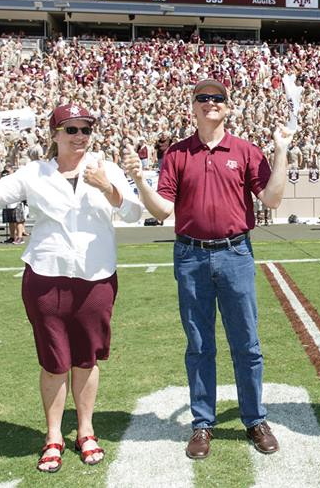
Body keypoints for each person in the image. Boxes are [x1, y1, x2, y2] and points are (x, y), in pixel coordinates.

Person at [0, 103, 142, 473]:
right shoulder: (34, 172)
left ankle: (85, 430)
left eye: (86, 128)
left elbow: (134, 212)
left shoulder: (105, 167)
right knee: (54, 362)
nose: (80, 136)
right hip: (46, 275)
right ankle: (53, 436)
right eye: (71, 129)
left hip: (96, 276)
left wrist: (109, 189)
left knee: (86, 359)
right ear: (54, 134)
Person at [123, 79, 293, 460]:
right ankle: (202, 423)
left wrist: (280, 152)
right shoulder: (179, 154)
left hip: (235, 253)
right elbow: (162, 210)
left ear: (228, 108)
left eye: (217, 99)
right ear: (193, 107)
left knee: (246, 343)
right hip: (191, 255)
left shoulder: (246, 151)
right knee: (199, 344)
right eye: (203, 98)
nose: (210, 103)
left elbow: (273, 198)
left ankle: (255, 418)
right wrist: (138, 179)